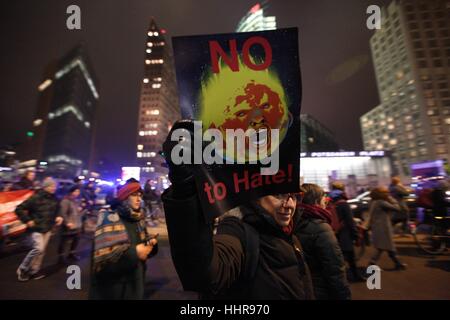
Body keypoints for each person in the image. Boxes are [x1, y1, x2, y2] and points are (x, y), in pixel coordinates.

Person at [161, 120, 314, 299]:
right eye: (279, 195)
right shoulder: (239, 232)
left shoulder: (290, 235)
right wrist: (185, 190)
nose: (289, 204)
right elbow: (204, 275)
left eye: (294, 196)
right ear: (255, 194)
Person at [89, 180, 158, 300]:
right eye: (134, 195)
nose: (138, 199)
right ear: (125, 197)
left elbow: (142, 244)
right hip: (112, 288)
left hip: (134, 283)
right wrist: (135, 252)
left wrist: (150, 244)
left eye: (140, 195)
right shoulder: (109, 218)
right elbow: (104, 259)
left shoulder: (138, 218)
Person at [295, 183, 351, 299]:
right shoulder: (321, 227)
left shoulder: (293, 222)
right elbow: (335, 269)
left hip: (303, 289)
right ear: (316, 201)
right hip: (323, 291)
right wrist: (344, 296)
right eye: (323, 198)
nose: (325, 201)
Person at [15, 177, 63, 281]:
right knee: (38, 249)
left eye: (55, 186)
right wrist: (27, 220)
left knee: (42, 252)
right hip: (36, 228)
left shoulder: (55, 198)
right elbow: (19, 209)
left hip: (48, 228)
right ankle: (22, 269)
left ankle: (34, 271)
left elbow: (58, 210)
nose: (54, 188)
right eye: (51, 186)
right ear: (45, 186)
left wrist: (59, 216)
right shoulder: (36, 197)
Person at [328, 182, 365, 282]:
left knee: (342, 258)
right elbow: (350, 221)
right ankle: (344, 279)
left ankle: (354, 276)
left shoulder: (330, 202)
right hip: (345, 236)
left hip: (333, 234)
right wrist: (356, 235)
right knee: (349, 258)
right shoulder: (343, 203)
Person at [367, 187, 407, 270]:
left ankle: (397, 263)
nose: (388, 194)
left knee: (385, 246)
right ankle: (372, 263)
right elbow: (397, 208)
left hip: (378, 227)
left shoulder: (374, 202)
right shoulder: (381, 202)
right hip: (383, 228)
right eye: (386, 193)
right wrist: (392, 199)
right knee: (385, 246)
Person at [57, 185, 83, 264]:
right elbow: (62, 213)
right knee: (64, 241)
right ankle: (60, 257)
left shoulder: (75, 200)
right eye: (75, 191)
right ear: (71, 191)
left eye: (78, 191)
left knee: (76, 240)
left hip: (76, 224)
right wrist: (67, 222)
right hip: (69, 225)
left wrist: (79, 209)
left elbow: (75, 212)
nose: (77, 193)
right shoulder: (65, 200)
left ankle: (71, 254)